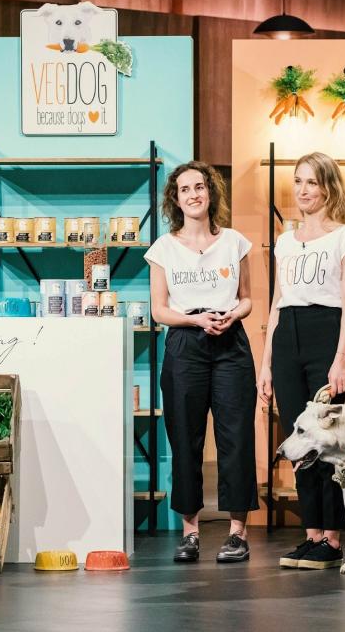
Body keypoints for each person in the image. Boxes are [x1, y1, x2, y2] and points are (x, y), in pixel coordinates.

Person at [145, 160, 258, 563]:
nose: (193, 195)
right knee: (185, 440)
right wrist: (194, 318)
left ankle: (237, 533)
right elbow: (159, 310)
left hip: (231, 345)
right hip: (184, 345)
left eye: (200, 187)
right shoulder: (162, 248)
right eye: (185, 189)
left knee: (236, 438)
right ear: (175, 199)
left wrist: (233, 314)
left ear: (211, 193)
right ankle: (191, 532)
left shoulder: (235, 242)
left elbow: (247, 298)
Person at [257, 152, 345, 571]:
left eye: (312, 182)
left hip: (327, 334)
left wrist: (340, 360)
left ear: (328, 187)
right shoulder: (285, 240)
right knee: (301, 440)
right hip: (288, 338)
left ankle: (334, 539)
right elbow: (278, 303)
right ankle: (312, 536)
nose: (303, 190)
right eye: (298, 182)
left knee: (331, 441)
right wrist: (265, 364)